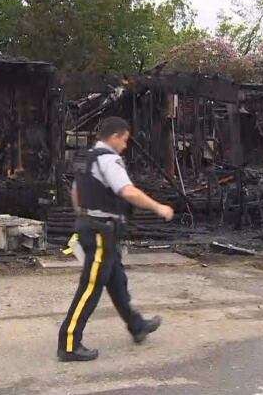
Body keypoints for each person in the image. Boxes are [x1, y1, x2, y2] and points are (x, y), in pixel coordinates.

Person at [57, 116, 175, 362]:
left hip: (94, 226)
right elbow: (127, 191)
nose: (125, 145)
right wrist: (159, 207)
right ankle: (68, 344)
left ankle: (137, 326)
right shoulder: (109, 160)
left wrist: (85, 216)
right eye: (124, 140)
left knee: (117, 281)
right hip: (101, 231)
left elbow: (76, 192)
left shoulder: (86, 158)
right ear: (114, 137)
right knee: (90, 288)